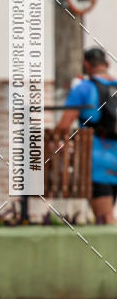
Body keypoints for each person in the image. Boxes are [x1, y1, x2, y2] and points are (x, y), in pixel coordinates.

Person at [56, 46, 117, 224]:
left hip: (98, 159)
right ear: (106, 63)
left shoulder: (84, 88)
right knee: (109, 212)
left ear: (86, 65)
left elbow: (64, 125)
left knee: (104, 218)